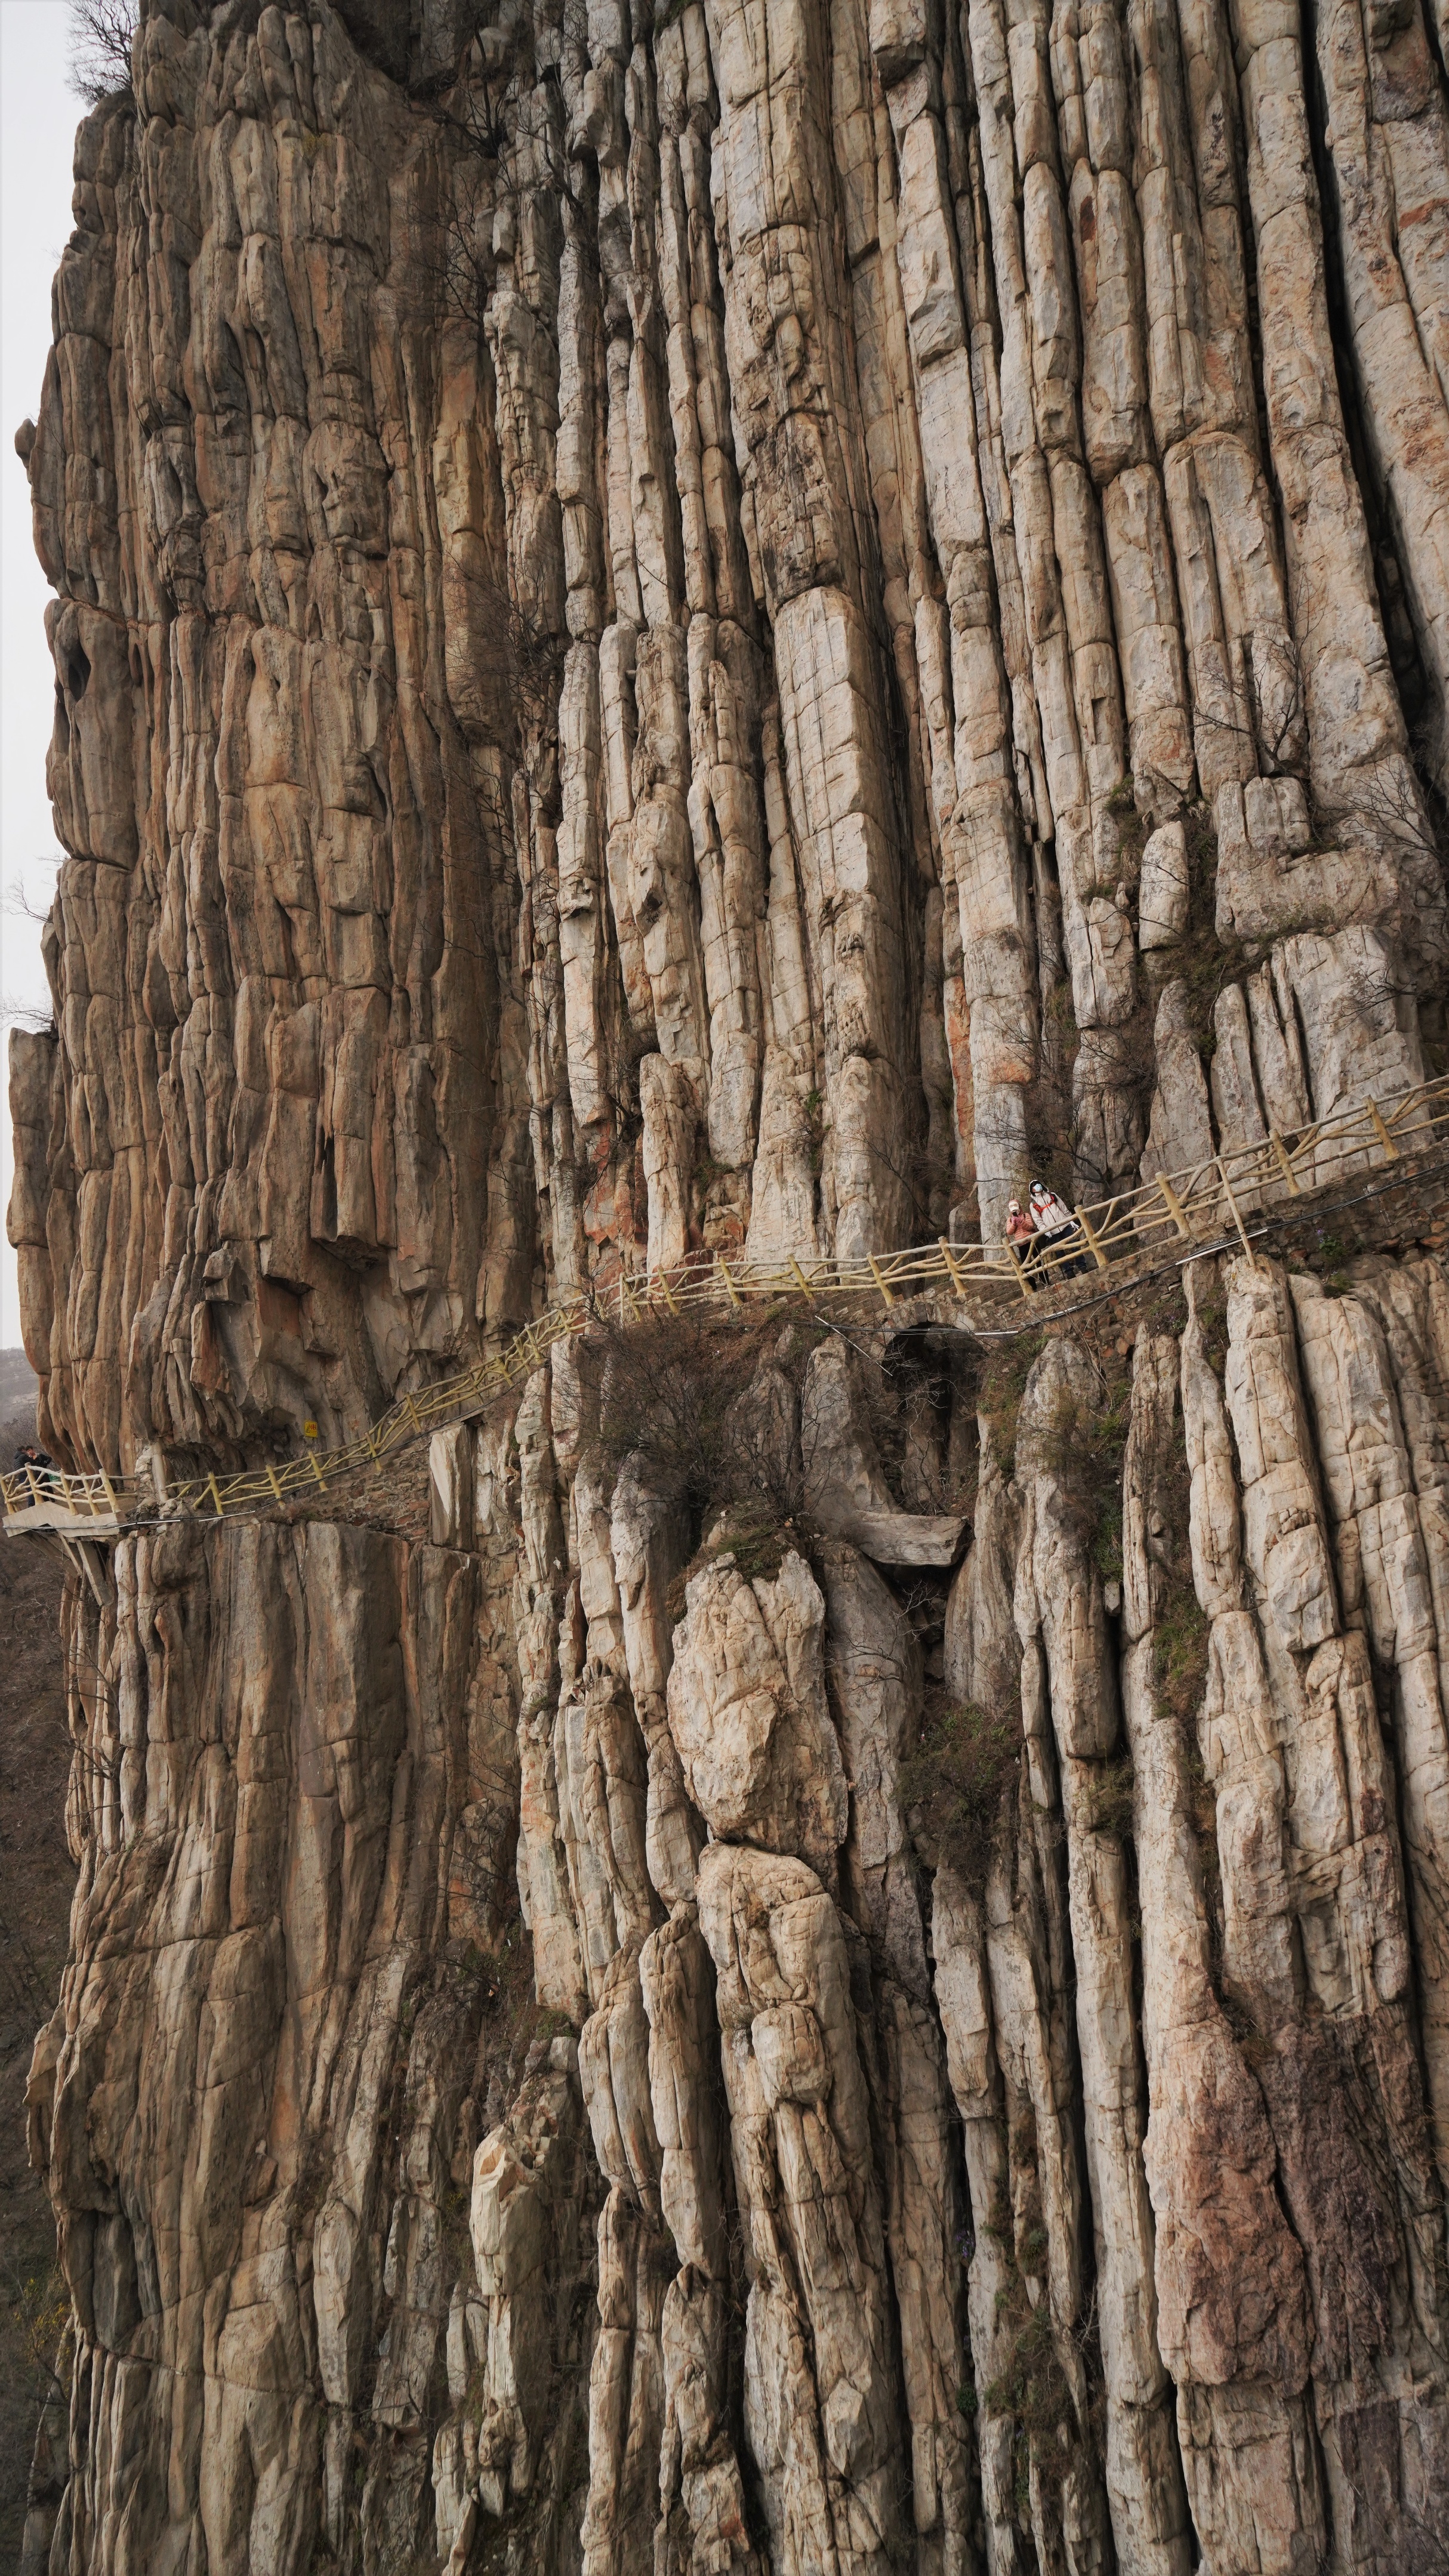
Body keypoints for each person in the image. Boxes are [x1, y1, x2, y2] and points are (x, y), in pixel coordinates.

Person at [1029, 1181, 1091, 1278]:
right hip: (1052, 1231)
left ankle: (1082, 1266)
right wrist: (1045, 1230)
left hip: (1065, 1225)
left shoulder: (1051, 1195)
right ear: (1032, 1190)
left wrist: (1071, 1220)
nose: (1038, 1186)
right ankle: (1069, 1272)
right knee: (1059, 1252)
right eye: (1035, 1186)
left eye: (1038, 1184)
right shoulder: (1034, 1204)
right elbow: (1038, 1220)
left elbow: (1063, 1207)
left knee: (1075, 1245)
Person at [1005, 1196, 1038, 1288]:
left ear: (1019, 1207)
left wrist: (1021, 1221)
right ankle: (1033, 1286)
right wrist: (1014, 1223)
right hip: (1021, 1244)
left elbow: (1030, 1226)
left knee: (1039, 1260)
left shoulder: (1025, 1215)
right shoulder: (1009, 1220)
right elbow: (1009, 1232)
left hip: (1032, 1240)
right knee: (1026, 1265)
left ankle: (1046, 1281)